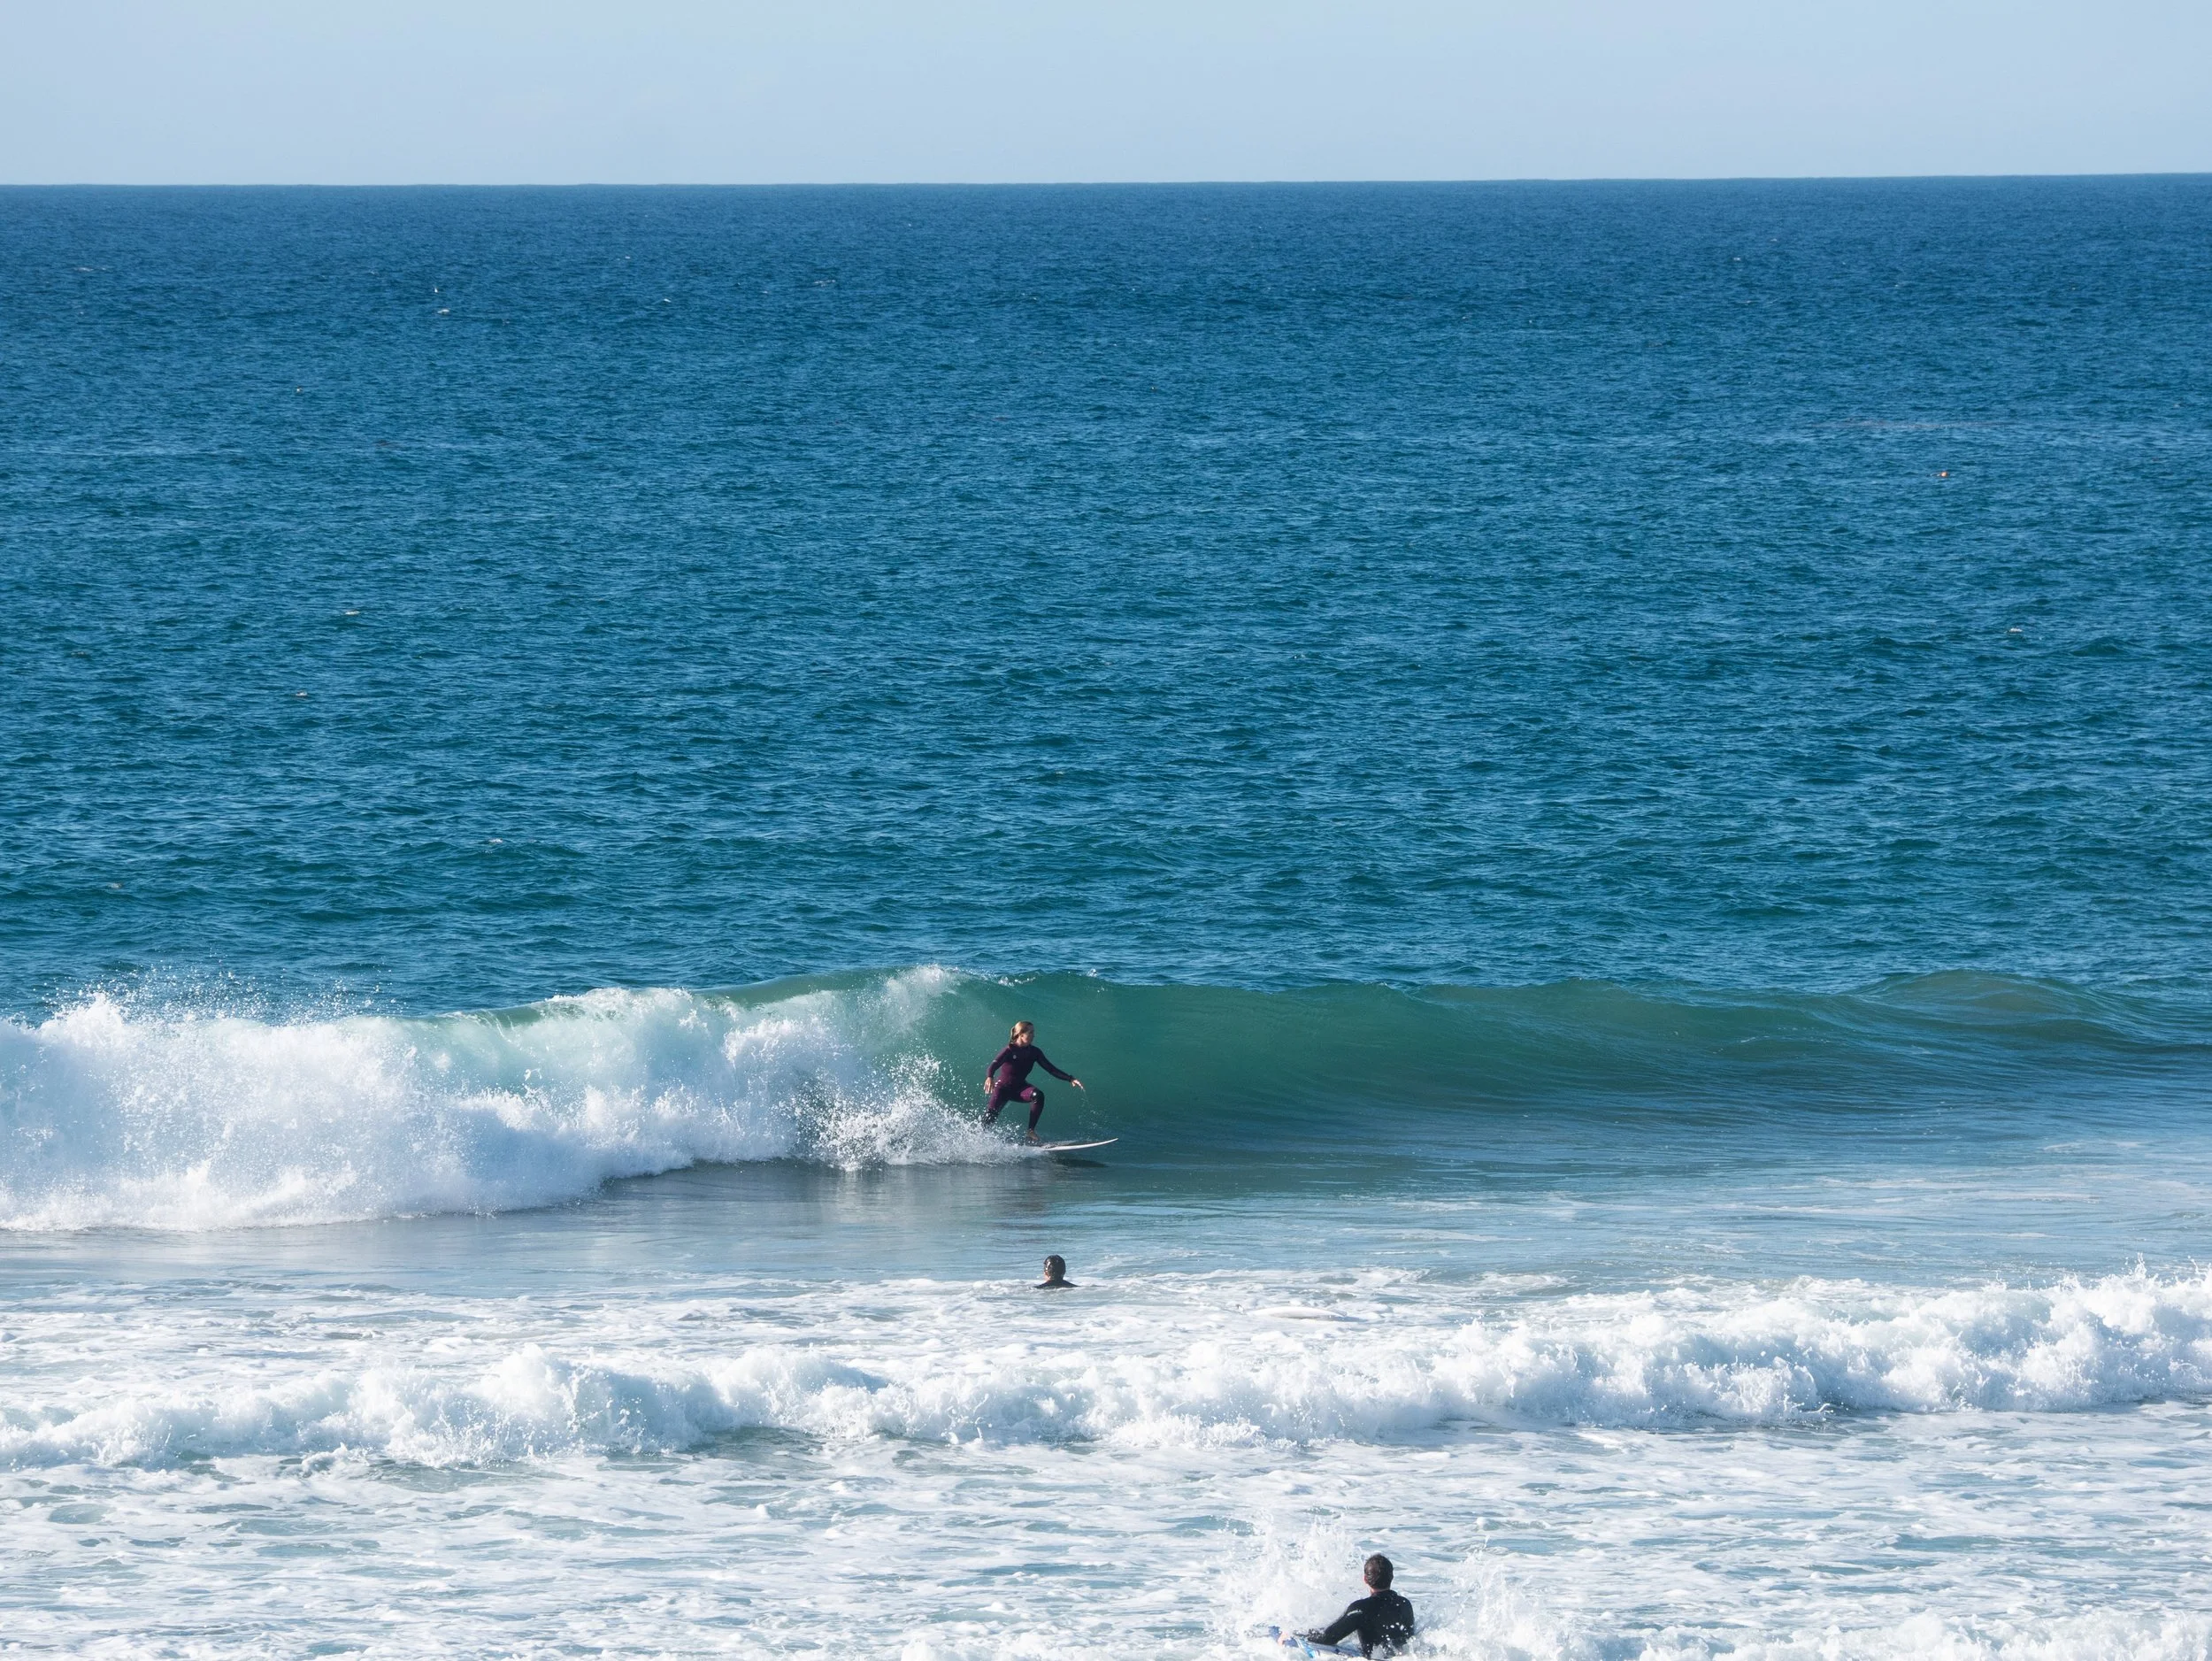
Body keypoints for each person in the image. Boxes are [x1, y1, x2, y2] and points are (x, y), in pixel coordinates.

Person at [982, 1020, 1082, 1142]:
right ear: (1021, 1034)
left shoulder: (1034, 1052)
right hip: (1002, 1089)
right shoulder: (1009, 1050)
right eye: (1031, 1032)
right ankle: (979, 1141)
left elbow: (1050, 1068)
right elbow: (994, 1064)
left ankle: (1030, 1131)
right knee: (988, 1121)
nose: (1034, 1035)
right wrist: (990, 1076)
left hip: (1019, 1089)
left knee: (1038, 1095)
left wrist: (1070, 1078)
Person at [1301, 1555, 1415, 1657]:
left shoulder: (1360, 1609)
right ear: (1392, 1577)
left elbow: (1328, 1638)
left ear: (1365, 1579)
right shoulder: (1405, 1604)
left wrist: (1298, 1633)